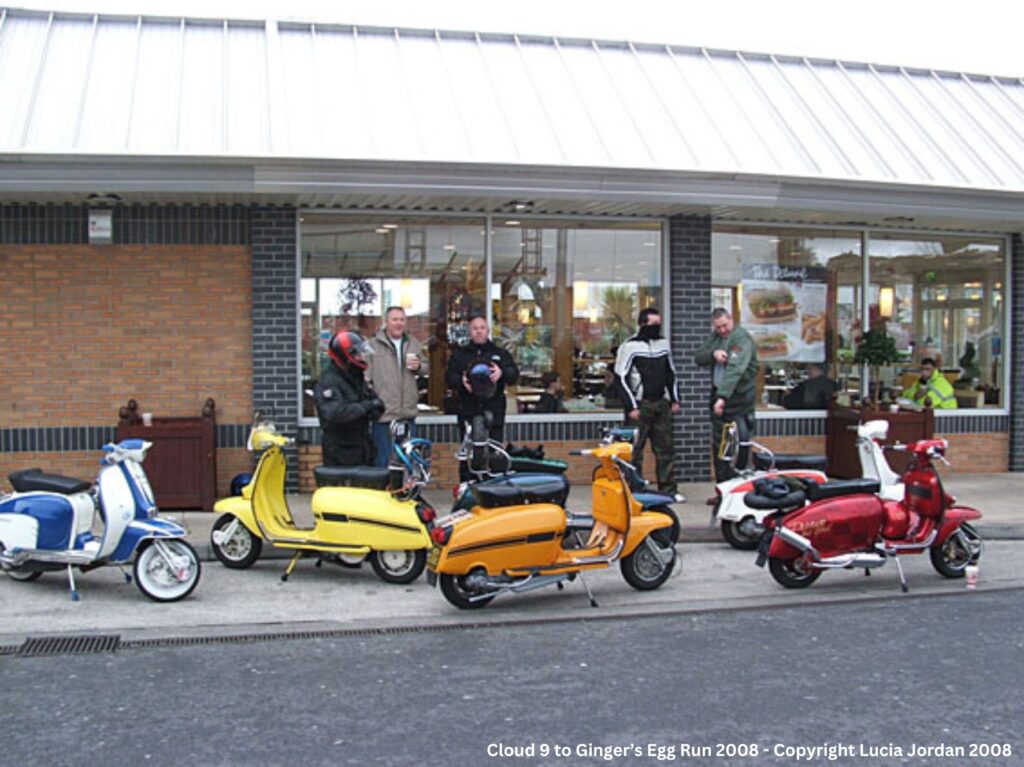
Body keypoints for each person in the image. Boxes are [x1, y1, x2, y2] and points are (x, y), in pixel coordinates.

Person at [612, 307, 680, 494]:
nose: (656, 328)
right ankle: (635, 488)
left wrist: (675, 399)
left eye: (658, 324)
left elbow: (671, 373)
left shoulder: (663, 344)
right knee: (634, 450)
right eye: (653, 324)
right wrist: (631, 406)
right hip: (640, 405)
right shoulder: (629, 346)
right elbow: (621, 378)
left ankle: (668, 489)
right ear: (642, 324)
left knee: (665, 450)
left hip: (661, 403)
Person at [694, 307, 759, 483]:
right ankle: (721, 488)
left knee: (740, 446)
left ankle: (738, 487)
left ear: (731, 319)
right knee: (719, 445)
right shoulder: (715, 338)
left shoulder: (740, 338)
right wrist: (713, 354)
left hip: (739, 398)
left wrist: (722, 397)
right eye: (718, 327)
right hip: (718, 397)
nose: (722, 330)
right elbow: (699, 357)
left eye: (724, 325)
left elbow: (735, 370)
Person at [366, 306, 428, 467]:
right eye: (394, 319)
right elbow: (365, 379)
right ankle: (384, 492)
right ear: (386, 322)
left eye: (401, 319)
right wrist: (374, 404)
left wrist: (419, 366)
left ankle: (407, 492)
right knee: (384, 462)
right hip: (384, 415)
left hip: (407, 414)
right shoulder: (372, 345)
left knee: (408, 461)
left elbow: (427, 369)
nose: (398, 323)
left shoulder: (413, 343)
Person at [445, 313, 519, 442]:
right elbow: (449, 377)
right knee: (467, 450)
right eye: (475, 328)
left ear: (488, 330)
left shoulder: (500, 353)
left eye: (482, 328)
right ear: (470, 331)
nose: (479, 331)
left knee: (494, 450)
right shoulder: (460, 354)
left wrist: (502, 373)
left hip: (494, 408)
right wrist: (461, 381)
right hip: (468, 408)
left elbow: (513, 376)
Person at [314, 331, 385, 466]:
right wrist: (366, 407)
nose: (360, 357)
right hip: (341, 453)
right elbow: (335, 415)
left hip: (363, 447)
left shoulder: (356, 377)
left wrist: (373, 408)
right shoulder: (328, 383)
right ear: (344, 356)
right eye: (356, 354)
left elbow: (377, 404)